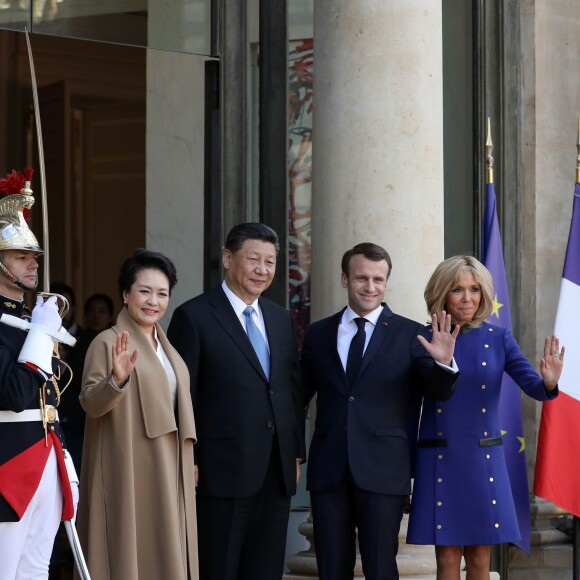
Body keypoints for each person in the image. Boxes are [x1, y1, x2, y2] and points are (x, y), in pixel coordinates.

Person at [301, 242, 459, 580]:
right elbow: (297, 396)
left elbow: (438, 391)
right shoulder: (318, 334)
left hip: (384, 471)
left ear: (386, 282)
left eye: (378, 279)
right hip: (329, 469)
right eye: (361, 278)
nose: (370, 287)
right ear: (345, 279)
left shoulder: (411, 334)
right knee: (330, 568)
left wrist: (444, 364)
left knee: (380, 568)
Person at [406, 255, 563, 579]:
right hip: (440, 458)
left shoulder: (498, 337)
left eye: (474, 289)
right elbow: (424, 395)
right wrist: (443, 360)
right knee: (447, 558)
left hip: (483, 459)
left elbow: (532, 385)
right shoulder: (423, 338)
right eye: (458, 290)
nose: (467, 298)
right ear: (442, 293)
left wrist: (549, 382)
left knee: (480, 557)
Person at [168, 222, 305, 580]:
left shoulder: (280, 318)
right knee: (219, 567)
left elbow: (290, 391)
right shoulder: (193, 317)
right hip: (219, 471)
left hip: (275, 472)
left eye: (271, 262)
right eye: (254, 259)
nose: (263, 270)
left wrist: (294, 452)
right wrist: (190, 457)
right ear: (228, 259)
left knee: (266, 568)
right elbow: (182, 396)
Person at [76, 249, 198, 580]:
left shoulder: (166, 346)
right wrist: (116, 380)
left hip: (169, 468)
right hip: (125, 467)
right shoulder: (107, 342)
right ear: (126, 294)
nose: (153, 301)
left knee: (165, 554)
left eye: (162, 293)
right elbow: (90, 403)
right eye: (144, 291)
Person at [0, 168, 78, 580]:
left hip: (46, 456)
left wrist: (62, 455)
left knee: (36, 570)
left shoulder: (32, 317)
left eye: (33, 258)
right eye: (20, 257)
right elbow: (12, 393)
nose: (32, 265)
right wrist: (42, 333)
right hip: (7, 464)